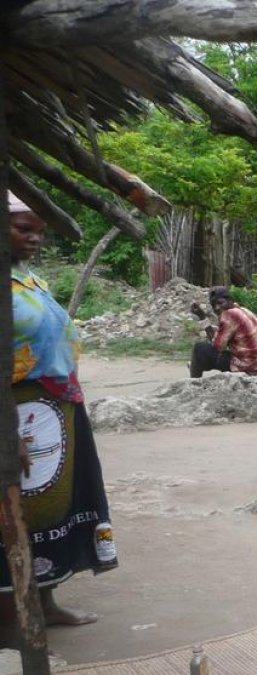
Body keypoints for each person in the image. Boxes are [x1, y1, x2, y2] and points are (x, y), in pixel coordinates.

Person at [1, 192, 118, 639]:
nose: (34, 239)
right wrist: (7, 430)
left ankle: (45, 602)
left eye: (38, 232)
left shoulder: (27, 279)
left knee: (50, 509)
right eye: (23, 229)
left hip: (55, 405)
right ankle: (11, 621)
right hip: (17, 411)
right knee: (15, 513)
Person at [189, 286, 257, 378]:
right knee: (208, 353)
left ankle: (193, 383)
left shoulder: (229, 315)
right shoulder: (243, 310)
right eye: (213, 305)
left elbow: (217, 346)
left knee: (199, 349)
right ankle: (197, 365)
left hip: (251, 365)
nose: (217, 308)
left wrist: (203, 318)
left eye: (220, 303)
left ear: (230, 301)